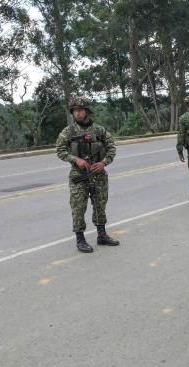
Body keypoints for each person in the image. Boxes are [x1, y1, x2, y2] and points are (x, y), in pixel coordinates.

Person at [56, 97, 119, 253]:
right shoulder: (68, 132)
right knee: (78, 207)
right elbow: (60, 151)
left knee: (100, 204)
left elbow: (111, 148)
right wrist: (75, 159)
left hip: (98, 174)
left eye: (80, 110)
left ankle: (102, 234)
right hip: (79, 175)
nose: (77, 113)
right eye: (75, 111)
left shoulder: (99, 130)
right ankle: (80, 239)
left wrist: (103, 162)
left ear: (87, 111)